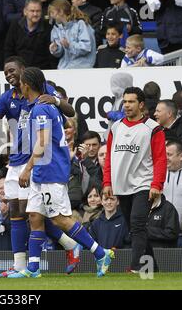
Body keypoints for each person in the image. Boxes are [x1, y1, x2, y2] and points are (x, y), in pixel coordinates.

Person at [9, 67, 114, 278]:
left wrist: (26, 169)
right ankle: (33, 268)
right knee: (35, 216)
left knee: (59, 219)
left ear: (27, 85)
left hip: (50, 169)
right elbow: (65, 121)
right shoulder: (45, 104)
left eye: (20, 82)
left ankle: (101, 253)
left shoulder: (40, 109)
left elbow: (43, 142)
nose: (18, 85)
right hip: (43, 170)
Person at [0, 56, 82, 277]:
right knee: (17, 213)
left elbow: (69, 112)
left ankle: (71, 245)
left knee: (35, 214)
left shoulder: (43, 88)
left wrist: (56, 101)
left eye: (12, 70)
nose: (9, 75)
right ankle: (20, 265)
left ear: (24, 70)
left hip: (36, 161)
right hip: (16, 160)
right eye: (6, 72)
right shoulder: (7, 97)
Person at [103, 86, 167, 273]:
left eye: (131, 102)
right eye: (125, 101)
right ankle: (151, 267)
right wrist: (107, 182)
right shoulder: (116, 127)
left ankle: (137, 267)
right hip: (121, 186)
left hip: (143, 184)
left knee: (138, 223)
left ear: (141, 104)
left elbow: (160, 158)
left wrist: (157, 184)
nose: (127, 105)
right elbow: (109, 157)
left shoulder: (153, 128)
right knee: (135, 228)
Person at [4, 0, 55, 69]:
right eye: (32, 11)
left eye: (38, 11)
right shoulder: (15, 26)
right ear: (25, 11)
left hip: (41, 71)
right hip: (20, 71)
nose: (35, 14)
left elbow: (51, 55)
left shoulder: (48, 28)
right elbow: (9, 50)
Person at [48, 0, 96, 69]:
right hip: (64, 68)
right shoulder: (56, 29)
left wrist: (69, 45)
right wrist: (56, 49)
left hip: (82, 68)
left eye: (52, 12)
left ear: (61, 12)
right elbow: (60, 53)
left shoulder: (81, 25)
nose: (51, 16)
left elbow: (86, 47)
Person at [104, 72, 133, 141]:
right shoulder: (118, 99)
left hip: (120, 138)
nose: (114, 87)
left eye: (115, 84)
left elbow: (127, 118)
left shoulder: (126, 100)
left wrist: (112, 114)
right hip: (113, 136)